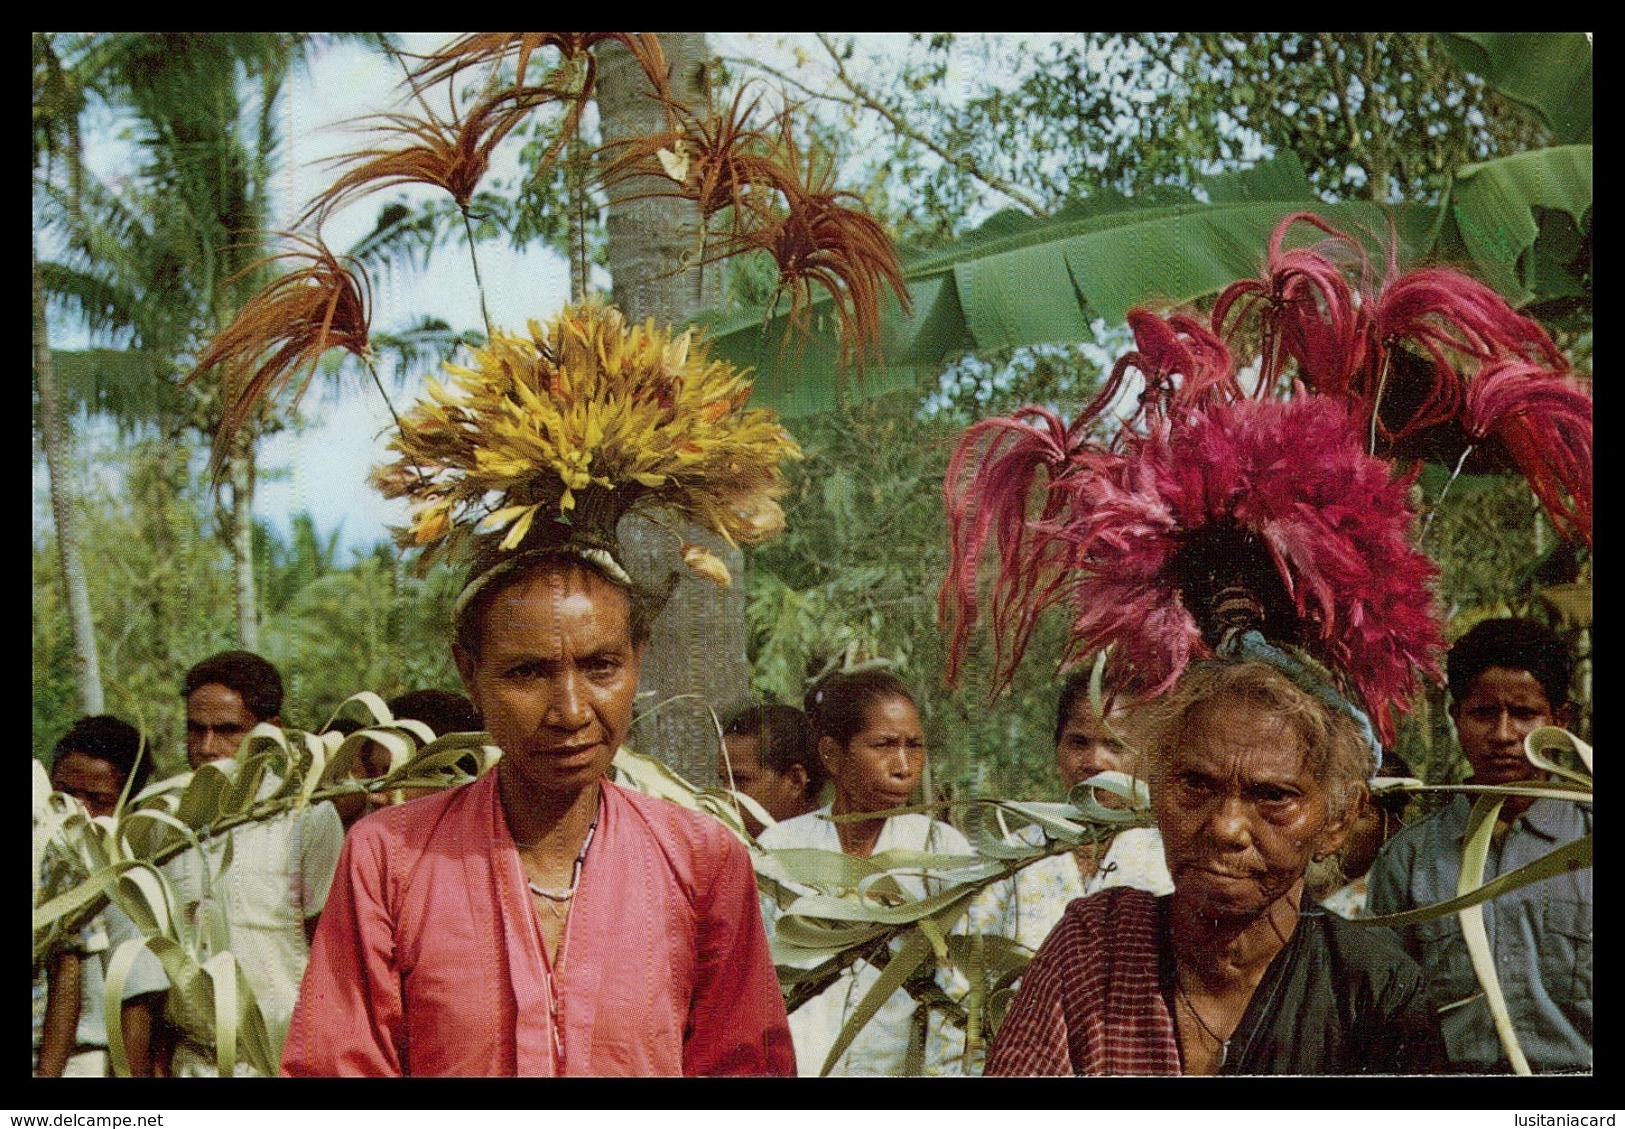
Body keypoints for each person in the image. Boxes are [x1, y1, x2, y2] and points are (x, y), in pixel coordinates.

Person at [281, 300, 797, 1076]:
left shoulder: (702, 862)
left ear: (638, 657)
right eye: (527, 671)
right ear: (469, 672)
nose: (569, 711)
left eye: (600, 666)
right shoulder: (387, 860)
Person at [987, 660, 1446, 1075]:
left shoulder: (1372, 991)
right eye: (1195, 784)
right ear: (1157, 791)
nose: (1226, 828)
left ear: (1338, 821)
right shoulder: (1093, 949)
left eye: (1273, 797)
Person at [1367, 617, 1591, 1073]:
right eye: (1484, 713)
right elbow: (1384, 1010)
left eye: (1525, 714)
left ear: (1559, 721)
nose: (1504, 735)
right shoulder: (1409, 859)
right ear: (1456, 718)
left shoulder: (1588, 841)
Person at [110, 650, 344, 1076]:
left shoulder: (306, 819)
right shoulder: (162, 821)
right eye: (195, 730)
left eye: (227, 731)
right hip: (191, 1060)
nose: (207, 748)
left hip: (282, 1057)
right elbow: (153, 960)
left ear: (269, 732)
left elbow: (330, 954)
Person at [758, 669, 990, 1076]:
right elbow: (759, 979)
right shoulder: (781, 849)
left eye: (914, 747)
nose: (903, 766)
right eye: (884, 745)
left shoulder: (940, 850)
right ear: (832, 754)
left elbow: (960, 990)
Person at [1000, 670, 1173, 953]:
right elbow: (962, 972)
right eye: (1079, 742)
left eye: (1115, 745)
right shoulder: (1015, 852)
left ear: (1149, 756)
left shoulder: (1170, 856)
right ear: (1057, 747)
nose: (1095, 762)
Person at [36, 716, 151, 1077]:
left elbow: (136, 999)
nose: (77, 810)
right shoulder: (45, 854)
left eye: (97, 800)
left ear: (125, 804)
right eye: (66, 792)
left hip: (81, 1061)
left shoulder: (123, 881)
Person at [719, 701, 823, 835]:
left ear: (795, 781)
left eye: (739, 780)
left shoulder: (835, 851)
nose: (724, 798)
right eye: (723, 780)